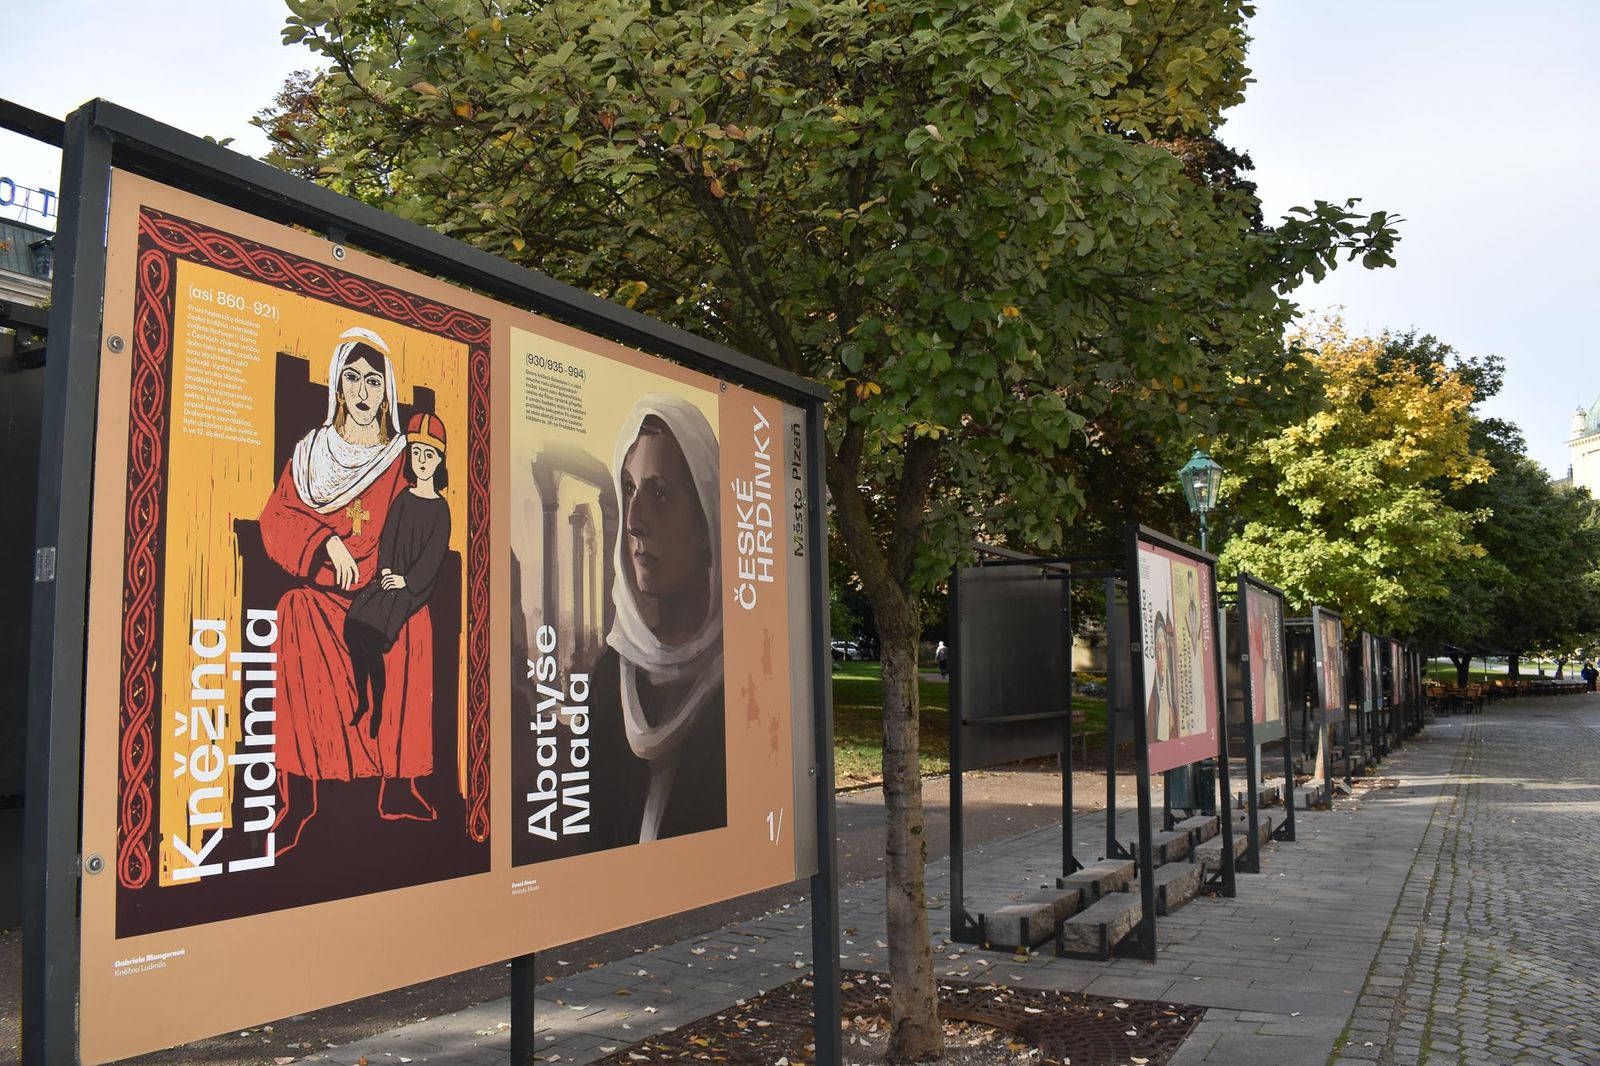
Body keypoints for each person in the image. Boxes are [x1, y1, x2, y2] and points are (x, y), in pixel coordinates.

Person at [258, 327, 437, 851]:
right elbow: (276, 518)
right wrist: (324, 542)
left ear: (386, 391)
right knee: (294, 611)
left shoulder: (402, 457)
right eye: (353, 379)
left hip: (379, 592)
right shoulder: (310, 454)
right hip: (323, 593)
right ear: (338, 386)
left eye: (373, 381)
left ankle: (399, 785)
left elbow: (422, 516)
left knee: (414, 622)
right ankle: (299, 797)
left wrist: (395, 573)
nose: (362, 391)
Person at [584, 395, 726, 847]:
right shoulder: (611, 678)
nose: (634, 521)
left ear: (707, 522)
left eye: (659, 494)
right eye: (629, 489)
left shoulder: (735, 682)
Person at [344, 413, 452, 825]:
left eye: (430, 455)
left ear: (439, 462)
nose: (423, 461)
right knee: (354, 625)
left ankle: (395, 764)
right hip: (387, 582)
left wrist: (406, 581)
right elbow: (388, 540)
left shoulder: (440, 510)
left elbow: (433, 558)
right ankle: (365, 700)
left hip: (411, 596)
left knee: (376, 640)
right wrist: (387, 570)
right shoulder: (403, 500)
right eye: (417, 453)